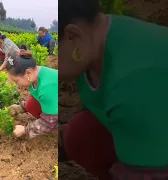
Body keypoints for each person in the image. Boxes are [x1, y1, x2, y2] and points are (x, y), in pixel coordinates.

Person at [58, 0, 168, 179]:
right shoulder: (93, 42)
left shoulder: (131, 79)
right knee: (82, 132)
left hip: (156, 160)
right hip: (146, 132)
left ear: (72, 36)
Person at [5, 51, 58, 139]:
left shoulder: (46, 88)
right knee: (31, 104)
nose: (16, 84)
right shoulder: (36, 74)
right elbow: (37, 98)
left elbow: (50, 122)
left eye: (16, 81)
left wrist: (26, 130)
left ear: (28, 73)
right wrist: (22, 107)